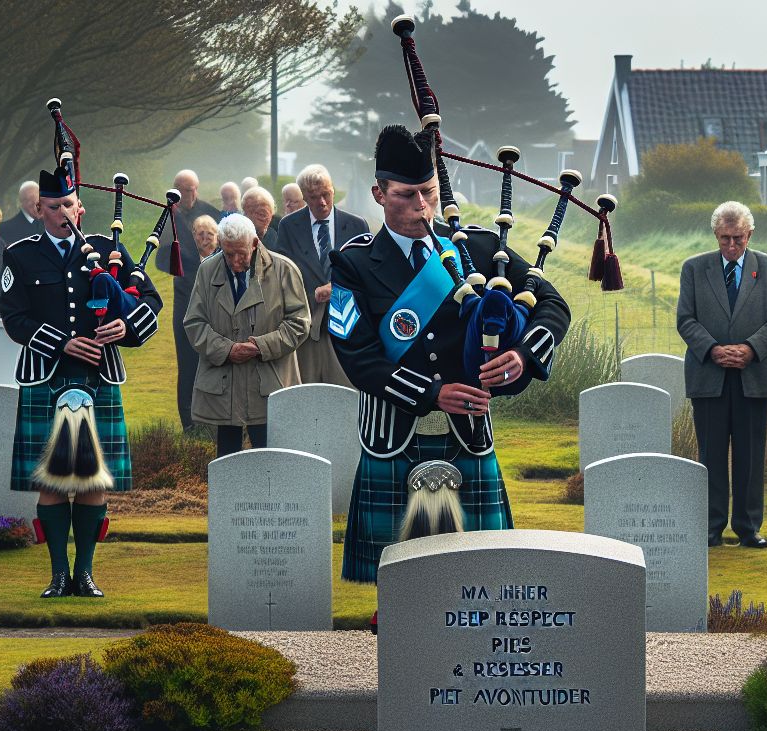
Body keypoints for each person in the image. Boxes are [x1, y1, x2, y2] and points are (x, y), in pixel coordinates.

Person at [330, 124, 571, 582]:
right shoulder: (354, 261)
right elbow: (357, 354)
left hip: (470, 432)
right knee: (394, 581)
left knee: (482, 573)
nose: (422, 206)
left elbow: (553, 305)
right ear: (378, 193)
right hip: (390, 434)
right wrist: (432, 392)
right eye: (406, 195)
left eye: (429, 192)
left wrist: (523, 353)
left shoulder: (477, 248)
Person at [0, 158, 160, 599]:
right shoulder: (20, 255)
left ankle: (85, 575)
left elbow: (148, 299)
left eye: (70, 204)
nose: (64, 213)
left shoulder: (107, 251)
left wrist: (125, 328)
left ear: (81, 207)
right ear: (39, 210)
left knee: (92, 480)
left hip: (98, 376)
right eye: (54, 206)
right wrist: (62, 343)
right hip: (46, 376)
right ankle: (56, 576)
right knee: (52, 481)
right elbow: (14, 318)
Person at [676, 200, 767, 548]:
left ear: (749, 234)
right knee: (710, 455)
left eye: (737, 238)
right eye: (724, 238)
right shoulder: (694, 269)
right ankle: (711, 527)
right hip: (709, 376)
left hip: (754, 376)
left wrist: (750, 349)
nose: (731, 246)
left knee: (750, 455)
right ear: (715, 234)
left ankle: (747, 527)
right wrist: (713, 349)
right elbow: (685, 319)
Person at [184, 213, 308, 457]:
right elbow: (194, 323)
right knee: (226, 461)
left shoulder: (284, 270)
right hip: (223, 386)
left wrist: (261, 346)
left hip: (270, 384)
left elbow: (299, 323)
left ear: (254, 243)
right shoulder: (207, 270)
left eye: (241, 253)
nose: (235, 261)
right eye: (228, 253)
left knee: (271, 459)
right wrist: (227, 349)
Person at [273, 163, 367, 388]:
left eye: (326, 194)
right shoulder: (289, 226)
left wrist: (340, 289)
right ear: (304, 196)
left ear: (333, 190)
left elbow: (367, 276)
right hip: (306, 327)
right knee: (308, 393)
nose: (322, 202)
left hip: (349, 328)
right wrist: (311, 294)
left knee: (347, 394)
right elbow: (280, 278)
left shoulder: (357, 225)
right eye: (314, 197)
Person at [173, 213, 220, 428]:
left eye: (210, 234)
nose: (205, 238)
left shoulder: (225, 260)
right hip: (188, 328)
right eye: (200, 234)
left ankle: (213, 421)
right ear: (194, 236)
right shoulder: (185, 264)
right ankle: (189, 424)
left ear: (217, 236)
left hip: (219, 328)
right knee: (188, 371)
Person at [0, 181, 42, 246]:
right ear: (21, 202)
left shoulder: (50, 224)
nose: (36, 203)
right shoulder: (4, 230)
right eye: (31, 199)